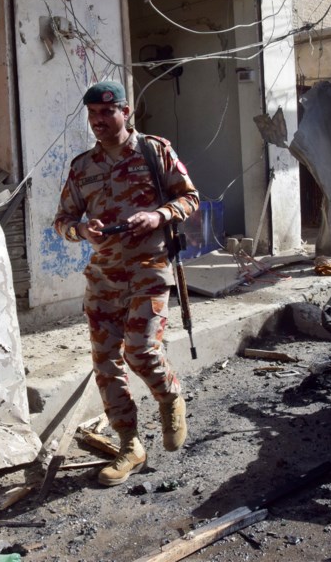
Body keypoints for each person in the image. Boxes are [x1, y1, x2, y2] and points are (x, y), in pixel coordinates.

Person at [53, 80, 200, 487]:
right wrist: (83, 231)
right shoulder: (82, 167)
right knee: (105, 364)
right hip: (102, 277)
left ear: (125, 112)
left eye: (107, 113)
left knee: (139, 351)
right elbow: (62, 221)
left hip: (148, 269)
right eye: (93, 115)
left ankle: (169, 396)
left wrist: (158, 216)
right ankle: (129, 445)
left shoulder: (155, 151)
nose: (99, 122)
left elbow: (189, 198)